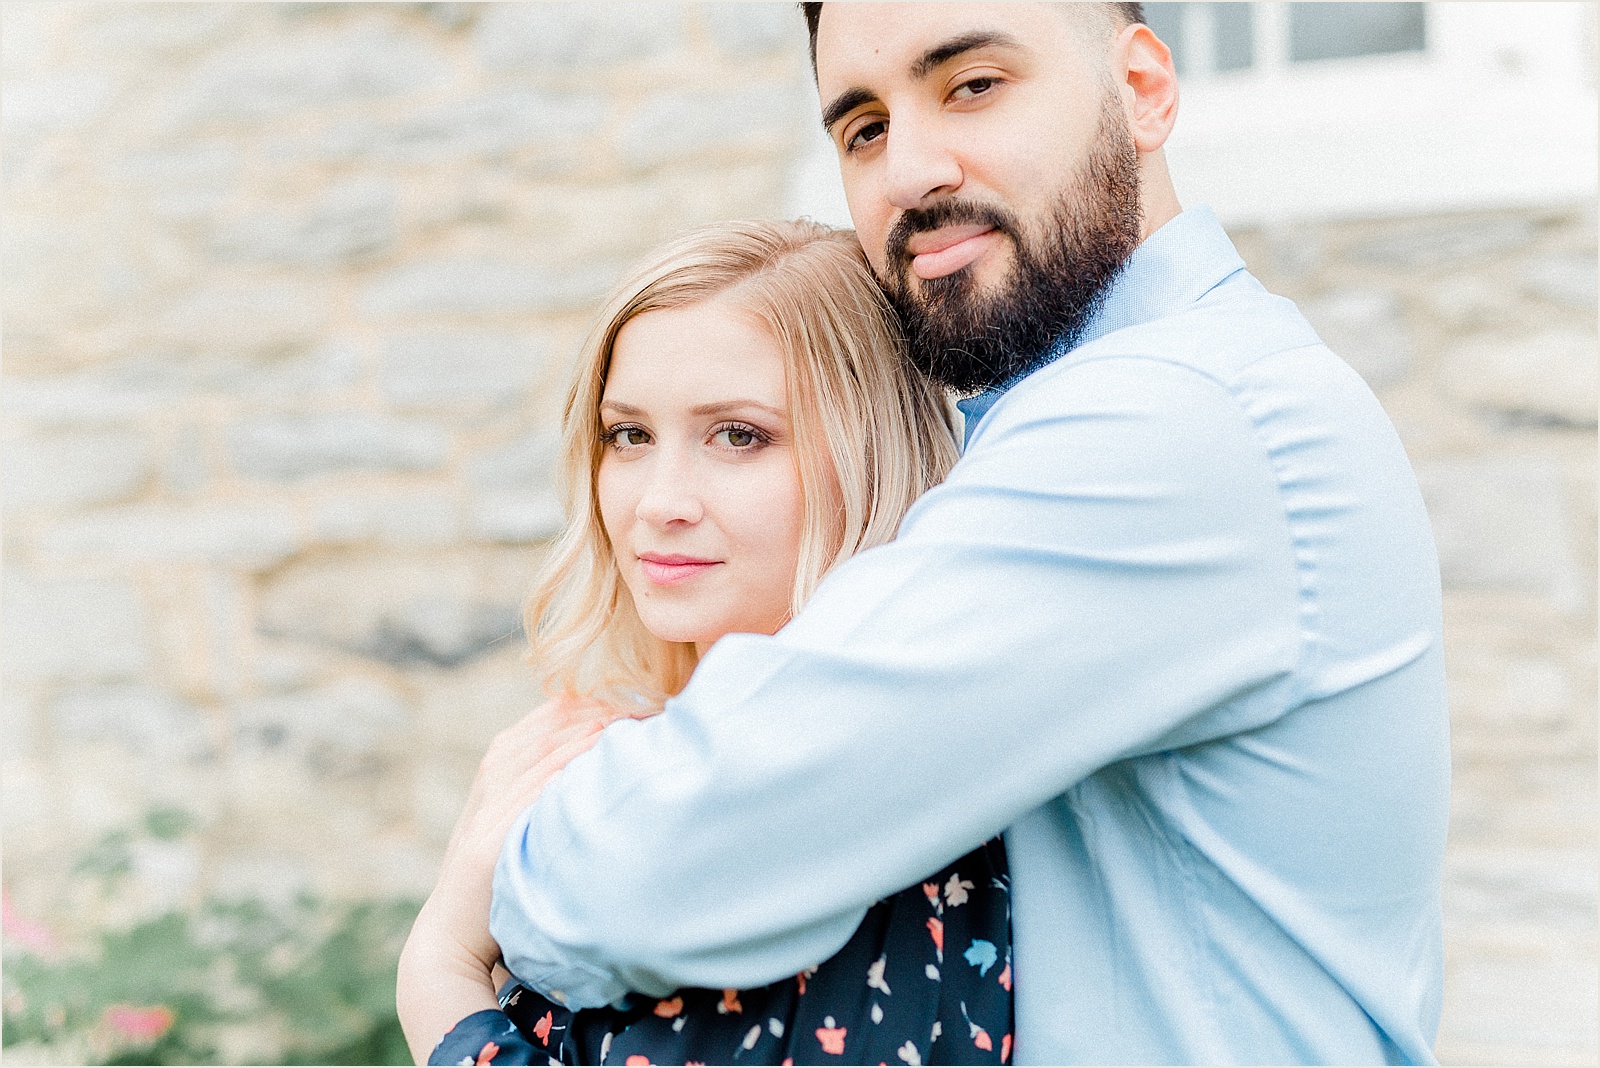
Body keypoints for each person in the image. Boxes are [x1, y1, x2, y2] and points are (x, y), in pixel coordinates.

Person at [452, 4, 1451, 1064]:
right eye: (863, 127)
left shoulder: (1165, 421)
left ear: (1144, 89)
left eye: (973, 85)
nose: (911, 170)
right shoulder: (1139, 405)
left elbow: (636, 874)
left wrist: (463, 926)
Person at [398, 219, 1017, 1066]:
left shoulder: (840, 796)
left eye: (738, 435)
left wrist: (439, 965)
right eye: (630, 436)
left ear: (868, 451)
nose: (661, 501)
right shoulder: (613, 750)